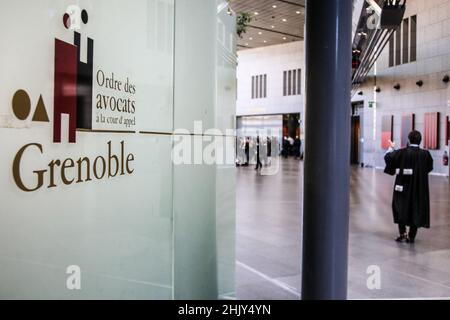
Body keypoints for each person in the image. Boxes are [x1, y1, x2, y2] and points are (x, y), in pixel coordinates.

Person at [384, 131, 433, 243]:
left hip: (403, 187)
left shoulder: (402, 152)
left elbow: (388, 158)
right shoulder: (426, 154)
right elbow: (429, 168)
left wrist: (391, 148)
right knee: (416, 208)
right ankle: (412, 236)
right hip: (419, 188)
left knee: (400, 206)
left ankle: (403, 233)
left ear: (409, 140)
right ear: (420, 140)